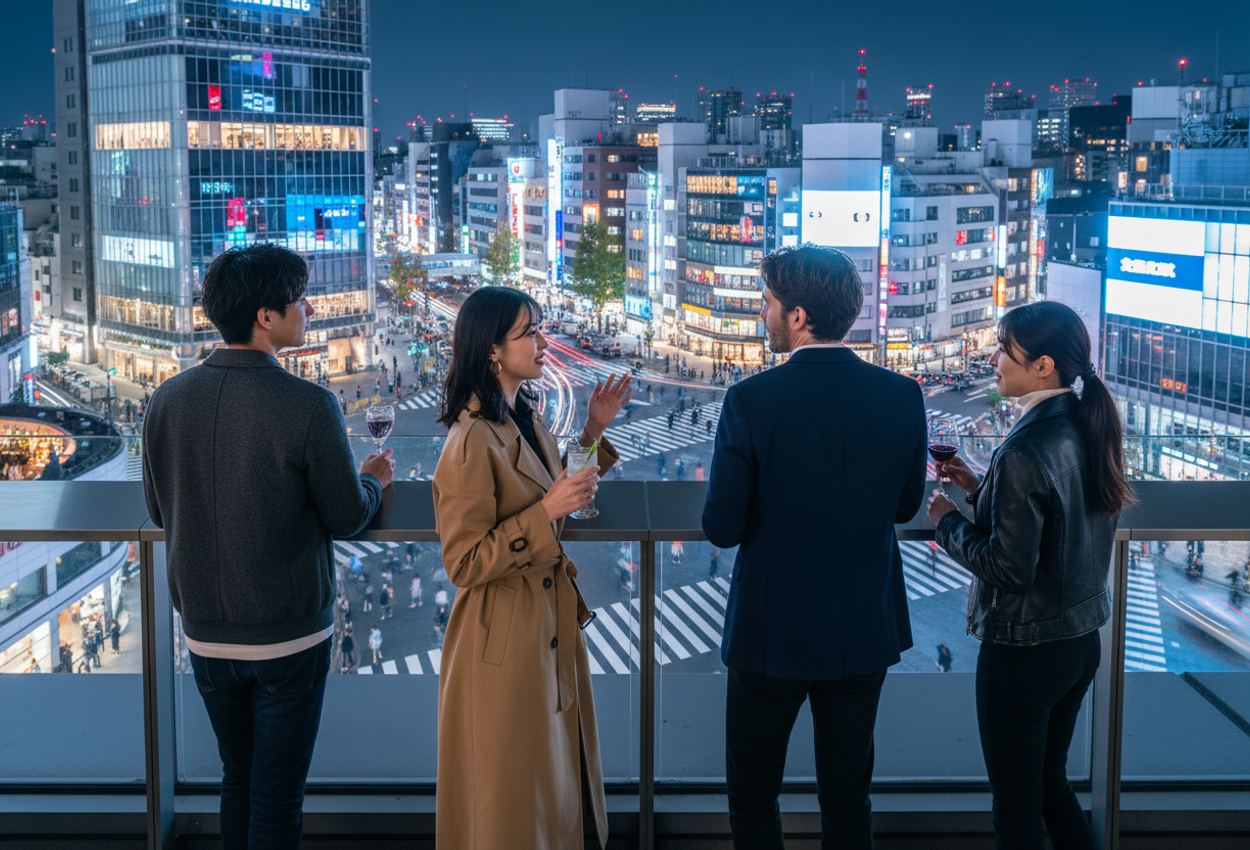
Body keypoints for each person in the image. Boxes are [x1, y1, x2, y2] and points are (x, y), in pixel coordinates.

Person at [142, 244, 391, 850]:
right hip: (288, 632)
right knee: (277, 795)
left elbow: (158, 508)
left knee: (238, 777)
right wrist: (374, 480)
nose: (307, 308)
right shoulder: (308, 404)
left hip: (203, 627)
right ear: (265, 317)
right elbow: (347, 515)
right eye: (297, 299)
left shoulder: (167, 400)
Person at [702, 245, 928, 849]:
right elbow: (906, 508)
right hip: (862, 623)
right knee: (849, 795)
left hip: (771, 630)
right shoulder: (902, 396)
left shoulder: (752, 400)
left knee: (753, 794)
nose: (763, 315)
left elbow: (722, 526)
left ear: (798, 316)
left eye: (768, 304)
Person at [431, 286, 631, 850]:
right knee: (513, 801)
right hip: (504, 639)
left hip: (539, 628)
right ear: (492, 350)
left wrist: (592, 433)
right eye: (530, 332)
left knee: (544, 789)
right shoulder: (471, 439)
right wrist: (545, 513)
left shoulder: (519, 417)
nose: (545, 342)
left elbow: (555, 496)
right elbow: (463, 561)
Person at [926, 300, 1130, 850]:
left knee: (1016, 813)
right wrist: (978, 486)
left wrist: (947, 522)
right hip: (1079, 641)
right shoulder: (1083, 426)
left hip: (1025, 651)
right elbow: (1054, 522)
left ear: (1043, 365)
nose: (992, 358)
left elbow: (1007, 569)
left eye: (1004, 349)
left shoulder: (1029, 444)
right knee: (1050, 787)